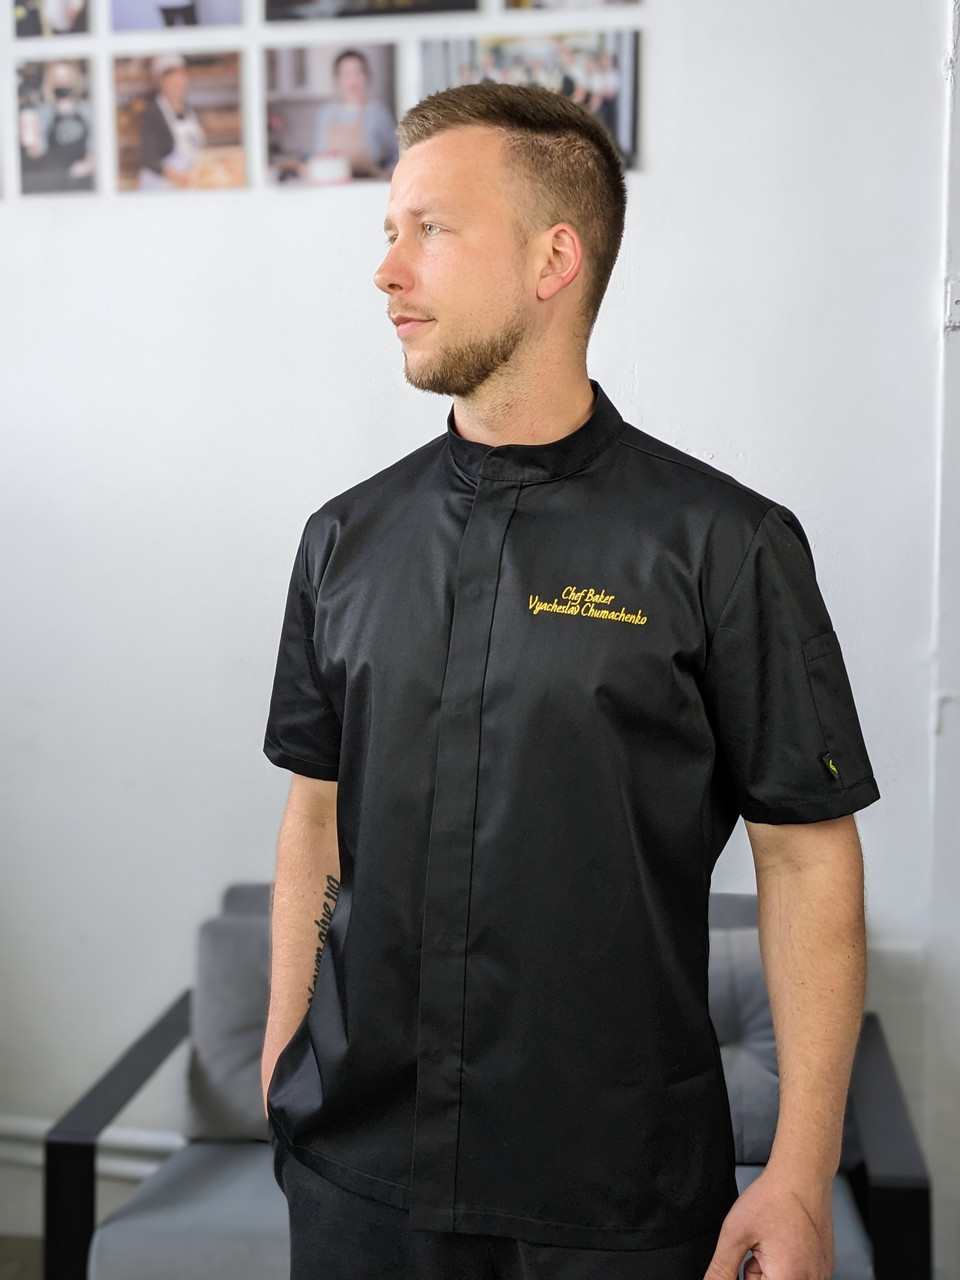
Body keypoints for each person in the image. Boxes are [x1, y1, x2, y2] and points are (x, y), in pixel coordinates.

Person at [262, 83, 878, 1280]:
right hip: (357, 1183)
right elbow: (315, 816)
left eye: (430, 229)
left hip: (617, 1197)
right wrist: (290, 1054)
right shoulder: (343, 541)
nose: (387, 270)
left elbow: (806, 855)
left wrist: (799, 1173)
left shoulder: (724, 545)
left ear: (554, 259)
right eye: (388, 231)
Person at [311, 50, 398, 180]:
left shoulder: (378, 113)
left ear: (367, 76)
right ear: (337, 79)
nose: (353, 80)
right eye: (346, 74)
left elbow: (397, 154)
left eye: (357, 73)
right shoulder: (326, 113)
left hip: (370, 185)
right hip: (333, 187)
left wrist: (388, 174)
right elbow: (318, 155)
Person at [19, 61, 95, 195]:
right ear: (49, 82)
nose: (62, 83)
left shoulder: (87, 110)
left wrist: (88, 165)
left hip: (82, 185)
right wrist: (30, 136)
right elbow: (35, 152)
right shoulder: (41, 112)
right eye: (56, 78)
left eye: (67, 77)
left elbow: (96, 147)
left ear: (76, 80)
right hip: (50, 184)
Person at [137, 54, 206, 191]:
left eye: (181, 77)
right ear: (160, 82)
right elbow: (149, 159)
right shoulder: (153, 113)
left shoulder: (188, 110)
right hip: (159, 187)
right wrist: (177, 176)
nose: (178, 83)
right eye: (172, 78)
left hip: (185, 185)